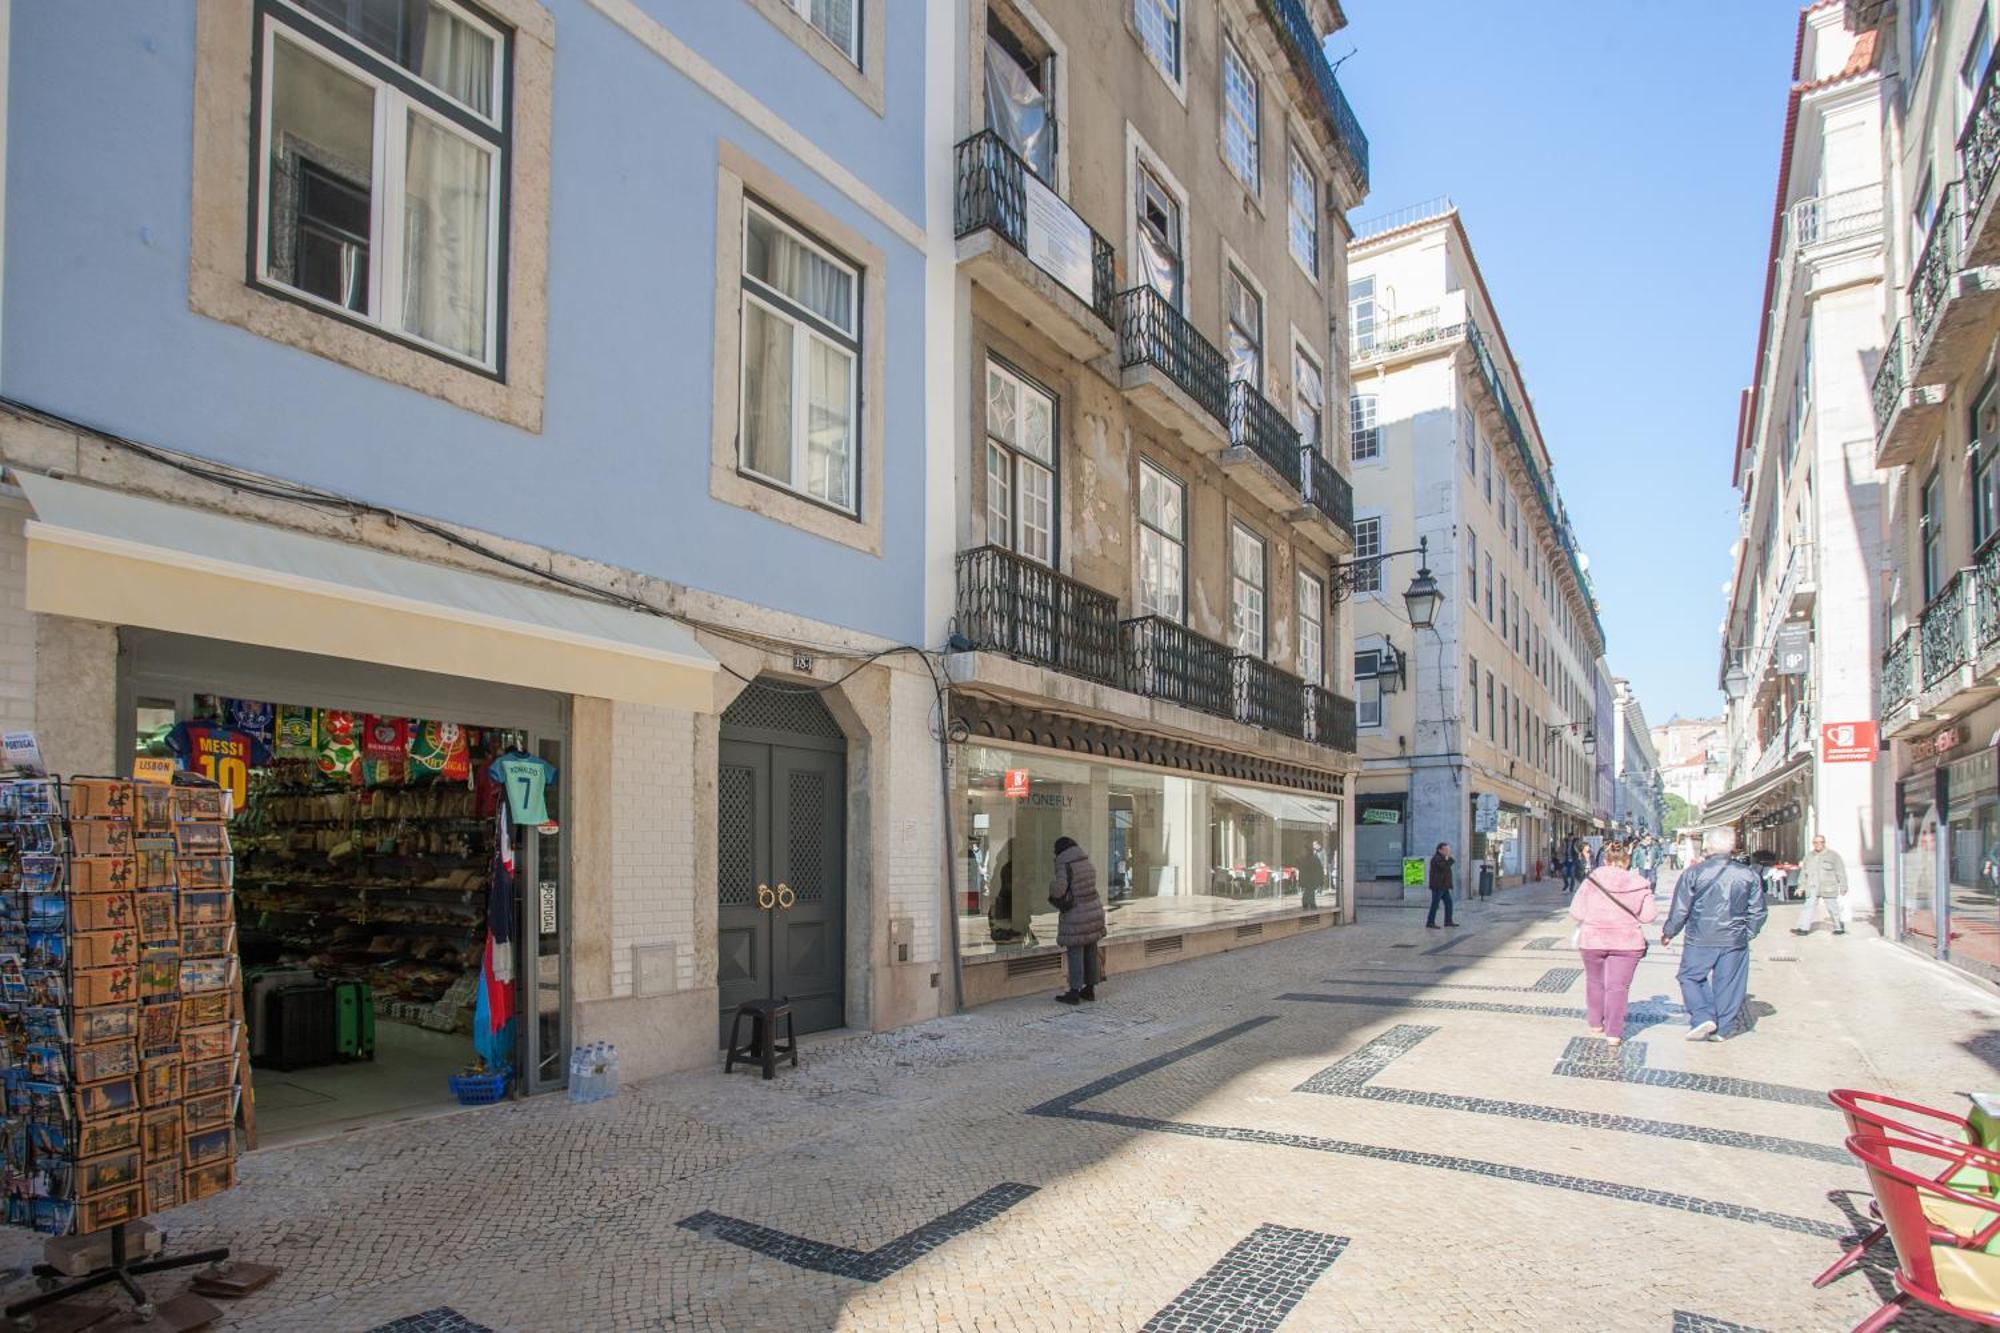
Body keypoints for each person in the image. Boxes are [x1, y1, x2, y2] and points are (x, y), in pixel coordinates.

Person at [1662, 826, 1768, 1041]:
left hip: (1700, 936)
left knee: (1690, 976)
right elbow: (1758, 910)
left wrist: (1669, 932)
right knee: (1729, 983)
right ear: (1732, 847)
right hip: (1734, 938)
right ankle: (1723, 1028)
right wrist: (1747, 933)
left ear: (1708, 847)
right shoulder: (1748, 874)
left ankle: (1702, 1015)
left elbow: (1681, 908)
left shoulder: (1694, 873)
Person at [1569, 840, 1658, 1046]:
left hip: (1593, 940)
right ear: (1627, 861)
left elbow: (1576, 912)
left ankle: (1595, 1022)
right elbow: (1649, 916)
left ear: (1606, 860)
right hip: (1627, 942)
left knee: (1594, 980)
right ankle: (1614, 1033)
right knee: (1618, 987)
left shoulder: (1592, 880)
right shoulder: (1638, 883)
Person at [1048, 836, 1105, 1005]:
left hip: (1076, 912)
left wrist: (1051, 886)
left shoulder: (1063, 862)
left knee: (1075, 951)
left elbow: (1059, 889)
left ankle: (1074, 991)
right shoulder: (1085, 860)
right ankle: (1090, 989)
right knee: (1090, 949)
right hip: (1093, 909)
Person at [1792, 834, 1850, 936]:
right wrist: (1801, 887)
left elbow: (1840, 871)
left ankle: (1839, 927)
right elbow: (1804, 873)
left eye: (1820, 842)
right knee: (1808, 907)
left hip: (1828, 886)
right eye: (1815, 842)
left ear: (1824, 843)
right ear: (1813, 844)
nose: (1818, 844)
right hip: (1812, 886)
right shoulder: (1809, 856)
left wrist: (1843, 886)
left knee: (1832, 908)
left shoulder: (1833, 856)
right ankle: (1803, 928)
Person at [1426, 842, 1457, 928]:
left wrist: (1448, 858)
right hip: (1438, 885)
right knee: (1435, 904)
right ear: (1440, 850)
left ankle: (1448, 921)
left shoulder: (1443, 858)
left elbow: (1446, 869)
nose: (1448, 851)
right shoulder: (1436, 858)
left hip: (1444, 886)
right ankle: (1430, 922)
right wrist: (1450, 859)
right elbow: (1443, 867)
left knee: (1449, 903)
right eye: (1446, 850)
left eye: (1448, 850)